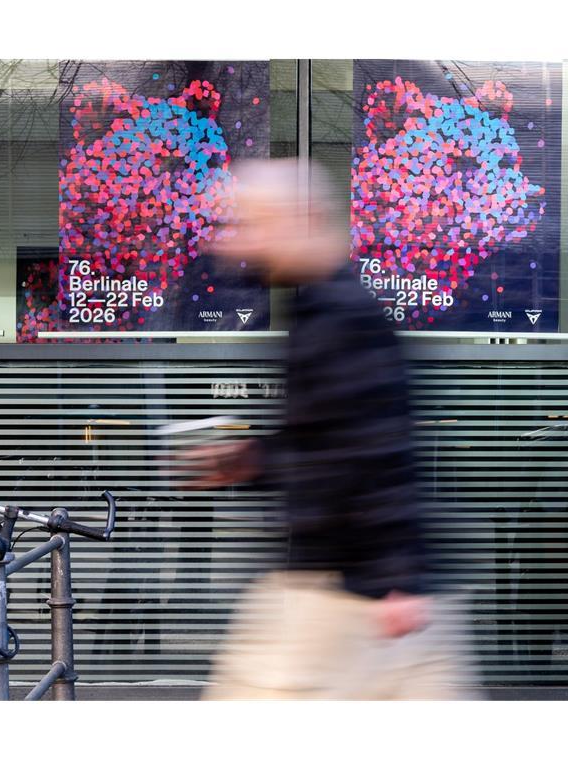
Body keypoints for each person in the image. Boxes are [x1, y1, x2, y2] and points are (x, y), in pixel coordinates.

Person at [183, 159, 469, 699]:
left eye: (255, 224)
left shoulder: (340, 315)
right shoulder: (316, 307)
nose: (240, 241)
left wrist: (399, 579)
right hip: (336, 583)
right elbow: (327, 442)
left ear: (305, 219)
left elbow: (380, 449)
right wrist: (255, 460)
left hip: (347, 591)